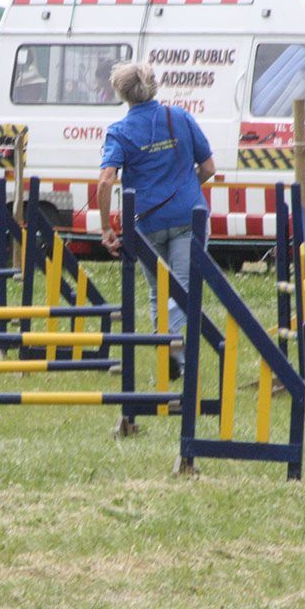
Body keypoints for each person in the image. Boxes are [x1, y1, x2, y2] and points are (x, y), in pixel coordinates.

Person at [97, 62, 216, 379]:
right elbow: (208, 168)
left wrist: (106, 226)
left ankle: (170, 357)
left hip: (147, 223)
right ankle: (174, 358)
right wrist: (187, 189)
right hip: (189, 215)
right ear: (153, 86)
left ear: (122, 93)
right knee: (183, 288)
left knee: (159, 291)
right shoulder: (179, 117)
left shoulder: (119, 132)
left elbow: (106, 180)